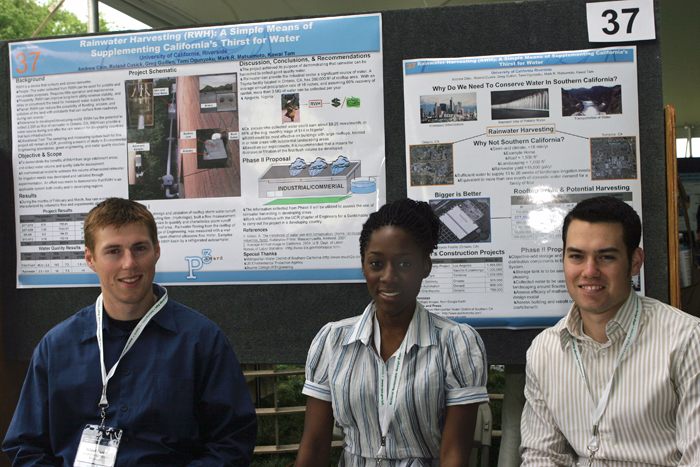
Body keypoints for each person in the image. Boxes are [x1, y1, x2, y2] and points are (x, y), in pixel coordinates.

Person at [3, 198, 257, 466]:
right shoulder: (56, 347)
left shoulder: (201, 340)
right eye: (113, 251)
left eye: (139, 248)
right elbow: (25, 445)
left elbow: (232, 440)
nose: (129, 263)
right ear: (90, 259)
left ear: (157, 251)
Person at [295, 198, 489, 467]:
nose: (388, 276)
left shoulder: (455, 343)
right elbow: (314, 446)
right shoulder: (333, 340)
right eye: (376, 263)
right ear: (363, 266)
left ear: (426, 266)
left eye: (404, 264)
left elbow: (453, 454)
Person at [520, 196, 700, 465]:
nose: (589, 271)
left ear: (635, 262)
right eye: (577, 256)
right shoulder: (545, 349)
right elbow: (542, 455)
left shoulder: (686, 340)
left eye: (606, 257)